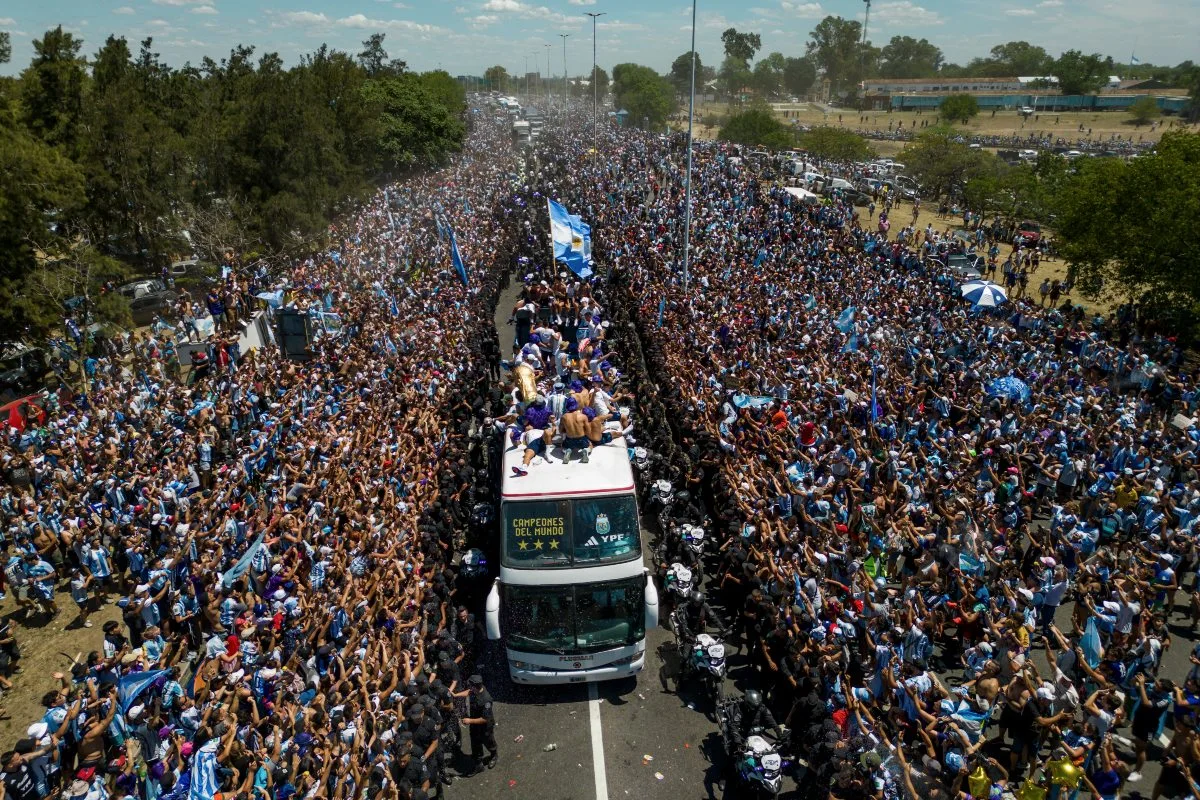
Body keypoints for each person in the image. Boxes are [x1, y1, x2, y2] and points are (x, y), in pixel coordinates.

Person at [460, 675, 497, 773]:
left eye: (471, 686)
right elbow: (468, 692)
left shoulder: (486, 700)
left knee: (489, 743)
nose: (469, 688)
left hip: (485, 727)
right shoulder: (474, 690)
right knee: (475, 744)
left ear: (475, 687)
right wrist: (455, 695)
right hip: (474, 726)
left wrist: (469, 721)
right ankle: (478, 764)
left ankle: (494, 755)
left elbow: (485, 719)